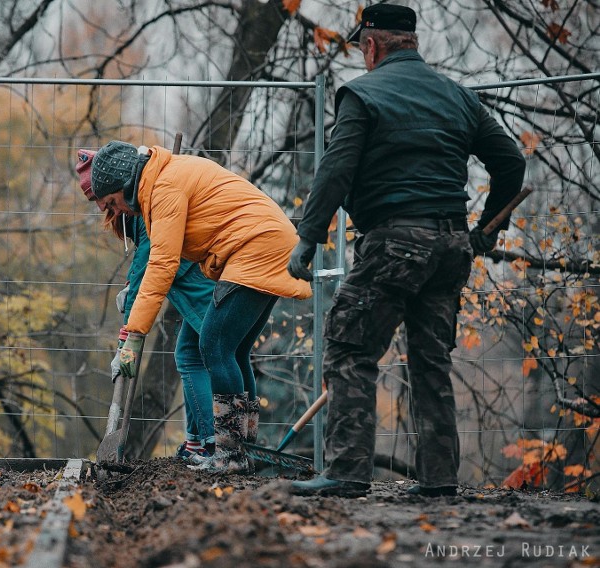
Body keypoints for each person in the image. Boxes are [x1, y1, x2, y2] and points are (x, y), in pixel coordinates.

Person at [286, 4, 526, 497]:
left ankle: (347, 472)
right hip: (450, 245)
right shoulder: (458, 96)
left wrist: (308, 236)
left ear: (371, 46)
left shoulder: (362, 93)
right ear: (410, 42)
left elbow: (336, 171)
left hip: (394, 242)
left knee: (351, 349)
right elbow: (511, 161)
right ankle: (439, 480)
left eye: (361, 50)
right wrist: (485, 231)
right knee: (430, 360)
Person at [86, 140, 312, 473]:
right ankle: (243, 448)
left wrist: (133, 336)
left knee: (214, 347)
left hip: (255, 247)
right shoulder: (162, 178)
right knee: (233, 351)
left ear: (123, 185)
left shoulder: (163, 187)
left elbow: (162, 264)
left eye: (112, 202)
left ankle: (231, 453)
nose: (115, 211)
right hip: (267, 243)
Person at [76, 149, 216, 462]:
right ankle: (199, 443)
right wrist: (131, 287)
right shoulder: (135, 205)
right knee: (192, 355)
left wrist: (126, 338)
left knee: (199, 357)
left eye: (105, 202)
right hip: (196, 287)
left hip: (202, 287)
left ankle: (211, 444)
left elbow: (150, 263)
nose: (103, 210)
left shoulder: (145, 203)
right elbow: (143, 267)